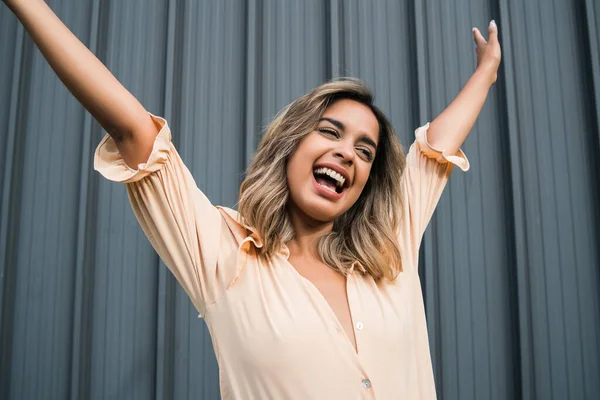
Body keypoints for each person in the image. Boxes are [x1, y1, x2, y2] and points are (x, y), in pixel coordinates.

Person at [4, 1, 501, 398]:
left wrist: (485, 73)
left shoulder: (391, 246)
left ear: (368, 180)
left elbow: (435, 147)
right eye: (331, 131)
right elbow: (132, 126)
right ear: (291, 144)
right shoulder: (225, 257)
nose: (347, 154)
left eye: (364, 150)